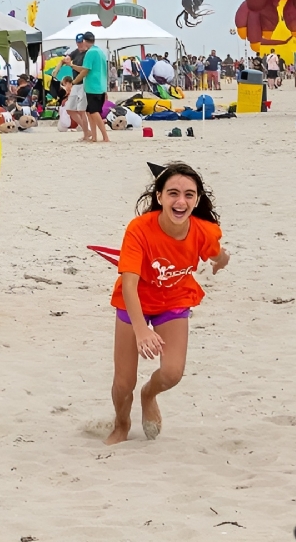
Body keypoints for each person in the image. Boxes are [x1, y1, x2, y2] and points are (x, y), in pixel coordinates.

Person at [104, 163, 230, 446]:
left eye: (189, 194)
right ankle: (121, 424)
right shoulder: (139, 229)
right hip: (134, 302)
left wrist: (222, 261)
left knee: (173, 373)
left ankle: (149, 395)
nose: (181, 201)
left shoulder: (202, 231)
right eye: (173, 193)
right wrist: (141, 331)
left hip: (174, 300)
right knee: (124, 382)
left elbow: (218, 254)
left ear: (196, 200)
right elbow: (129, 284)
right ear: (159, 196)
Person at [78, 32, 110, 143]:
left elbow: (85, 70)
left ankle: (105, 136)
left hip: (93, 86)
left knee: (94, 112)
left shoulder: (90, 53)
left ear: (84, 41)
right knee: (89, 111)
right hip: (100, 85)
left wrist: (75, 81)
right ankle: (94, 137)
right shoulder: (100, 52)